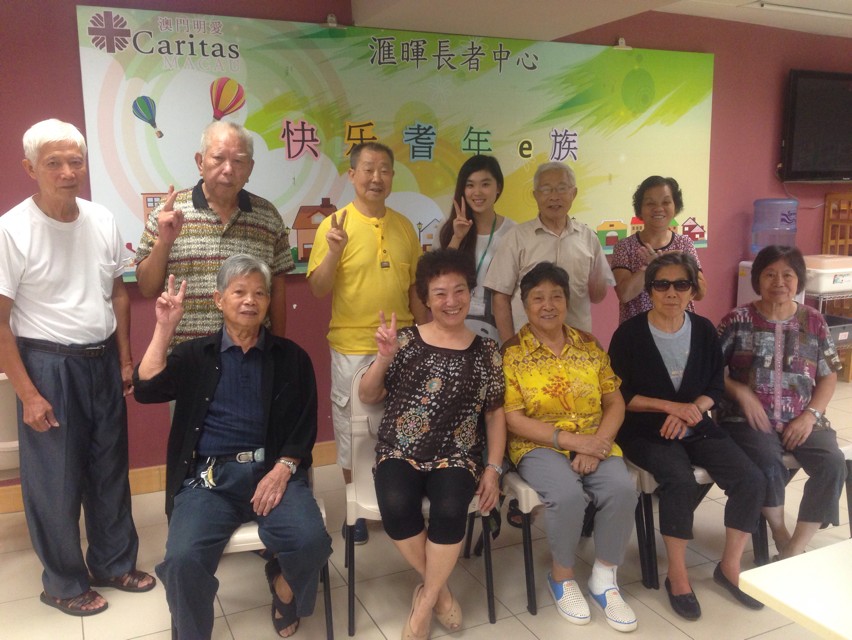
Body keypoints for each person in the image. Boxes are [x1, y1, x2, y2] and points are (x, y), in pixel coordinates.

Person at [0, 119, 154, 616]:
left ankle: (113, 563)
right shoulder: (11, 229)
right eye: (54, 163)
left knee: (109, 469)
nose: (68, 172)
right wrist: (28, 394)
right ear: (30, 169)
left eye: (75, 161)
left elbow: (118, 294)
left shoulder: (102, 219)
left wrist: (125, 359)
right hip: (47, 365)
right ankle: (63, 582)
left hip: (101, 359)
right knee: (55, 481)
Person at [133, 255, 331, 639]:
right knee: (182, 561)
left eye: (259, 293)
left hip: (271, 473)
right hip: (208, 480)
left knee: (311, 542)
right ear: (218, 299)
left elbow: (304, 426)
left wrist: (282, 469)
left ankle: (283, 589)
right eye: (239, 292)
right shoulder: (195, 355)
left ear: (268, 301)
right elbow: (146, 389)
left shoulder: (292, 358)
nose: (250, 300)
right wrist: (165, 328)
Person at [608, 252, 765, 620]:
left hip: (696, 424)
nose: (671, 292)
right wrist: (671, 407)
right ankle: (677, 575)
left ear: (693, 290)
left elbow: (715, 386)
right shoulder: (629, 334)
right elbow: (617, 394)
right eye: (662, 284)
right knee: (679, 480)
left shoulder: (705, 330)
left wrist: (692, 409)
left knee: (751, 478)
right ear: (649, 290)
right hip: (645, 430)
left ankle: (729, 567)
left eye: (681, 284)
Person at [359, 249, 505, 640]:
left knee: (451, 508)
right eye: (440, 293)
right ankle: (439, 593)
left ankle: (423, 605)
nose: (451, 301)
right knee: (395, 505)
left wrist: (493, 469)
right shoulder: (405, 341)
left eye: (459, 290)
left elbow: (495, 414)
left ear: (470, 292)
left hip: (457, 454)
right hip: (400, 449)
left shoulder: (487, 351)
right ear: (425, 298)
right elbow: (368, 395)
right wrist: (383, 358)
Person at [502, 262, 637, 633]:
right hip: (539, 444)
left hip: (595, 438)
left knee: (622, 489)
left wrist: (596, 445)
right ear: (525, 305)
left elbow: (615, 401)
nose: (548, 305)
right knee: (567, 495)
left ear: (567, 301)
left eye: (556, 297)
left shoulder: (588, 345)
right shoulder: (512, 353)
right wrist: (574, 442)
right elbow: (513, 418)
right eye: (538, 298)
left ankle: (604, 580)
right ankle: (562, 577)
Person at [307, 141, 428, 544]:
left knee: (403, 426)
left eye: (385, 170)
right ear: (352, 174)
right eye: (368, 169)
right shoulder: (333, 224)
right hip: (352, 346)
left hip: (403, 342)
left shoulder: (405, 226)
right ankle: (354, 508)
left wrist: (426, 337)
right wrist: (334, 251)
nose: (377, 177)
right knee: (353, 430)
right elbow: (319, 288)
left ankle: (400, 501)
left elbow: (414, 290)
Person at [717, 245, 847, 561]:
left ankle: (794, 550)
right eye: (770, 274)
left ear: (798, 279)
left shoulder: (814, 321)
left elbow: (829, 375)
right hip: (748, 418)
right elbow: (711, 371)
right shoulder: (737, 319)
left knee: (832, 463)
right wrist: (740, 392)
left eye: (787, 275)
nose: (779, 282)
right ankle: (779, 531)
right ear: (757, 279)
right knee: (766, 460)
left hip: (802, 415)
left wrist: (810, 415)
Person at [135, 120, 293, 347]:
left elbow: (277, 291)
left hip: (250, 356)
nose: (228, 169)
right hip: (184, 356)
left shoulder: (268, 217)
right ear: (200, 162)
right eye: (218, 158)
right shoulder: (168, 213)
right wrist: (164, 242)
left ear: (250, 168)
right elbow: (146, 288)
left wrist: (278, 350)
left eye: (238, 161)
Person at [484, 161, 614, 341]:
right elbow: (500, 297)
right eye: (546, 190)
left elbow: (598, 296)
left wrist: (599, 276)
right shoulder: (516, 237)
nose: (554, 196)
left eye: (561, 188)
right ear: (535, 195)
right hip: (528, 347)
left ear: (574, 193)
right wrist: (509, 346)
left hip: (578, 345)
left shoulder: (589, 238)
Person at [438, 154, 515, 342]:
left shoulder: (513, 232)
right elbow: (438, 278)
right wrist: (457, 237)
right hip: (453, 333)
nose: (477, 192)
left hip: (497, 333)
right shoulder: (447, 230)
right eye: (470, 185)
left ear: (498, 187)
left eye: (485, 184)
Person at [611, 176, 706, 324]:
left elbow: (700, 293)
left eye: (666, 202)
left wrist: (683, 267)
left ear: (675, 207)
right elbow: (624, 294)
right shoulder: (624, 246)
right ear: (640, 209)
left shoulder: (684, 244)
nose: (659, 208)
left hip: (679, 328)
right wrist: (650, 266)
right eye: (650, 203)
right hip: (637, 330)